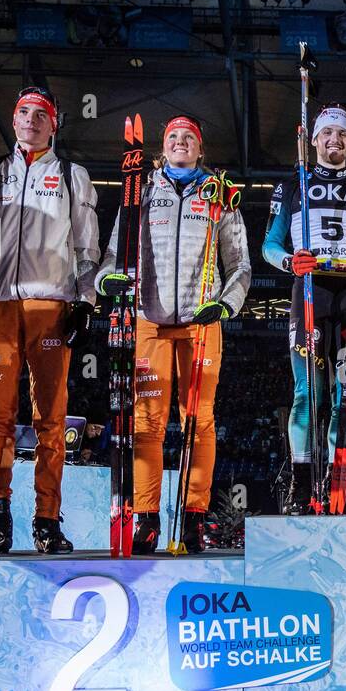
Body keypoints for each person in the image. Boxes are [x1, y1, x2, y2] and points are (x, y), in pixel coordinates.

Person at [96, 115, 251, 554]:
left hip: (202, 319)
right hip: (150, 317)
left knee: (198, 420)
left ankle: (194, 519)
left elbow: (239, 263)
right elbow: (115, 250)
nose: (181, 142)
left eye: (189, 138)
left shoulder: (219, 195)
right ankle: (146, 519)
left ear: (200, 149)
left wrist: (227, 302)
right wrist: (108, 278)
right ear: (163, 148)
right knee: (146, 421)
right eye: (173, 138)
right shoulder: (140, 190)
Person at [0, 86, 100, 554]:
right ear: (13, 120)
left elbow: (87, 249)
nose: (31, 120)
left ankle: (47, 520)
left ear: (55, 124)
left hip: (51, 304)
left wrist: (86, 301)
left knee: (51, 419)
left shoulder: (72, 175)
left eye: (41, 114)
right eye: (23, 112)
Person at [263, 103, 346, 513]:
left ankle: (338, 484)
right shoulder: (293, 185)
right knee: (308, 393)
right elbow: (270, 245)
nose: (334, 140)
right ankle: (302, 485)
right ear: (314, 140)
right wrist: (290, 261)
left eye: (342, 134)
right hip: (309, 288)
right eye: (327, 133)